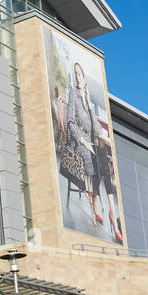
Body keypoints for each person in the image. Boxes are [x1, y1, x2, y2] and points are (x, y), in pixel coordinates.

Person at [66, 61, 108, 229]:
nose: (77, 77)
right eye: (75, 74)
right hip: (79, 141)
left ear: (84, 77)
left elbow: (94, 122)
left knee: (103, 162)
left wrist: (103, 135)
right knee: (91, 158)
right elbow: (70, 121)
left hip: (91, 139)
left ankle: (96, 197)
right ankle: (94, 206)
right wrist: (82, 140)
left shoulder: (86, 96)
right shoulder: (73, 94)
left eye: (80, 74)